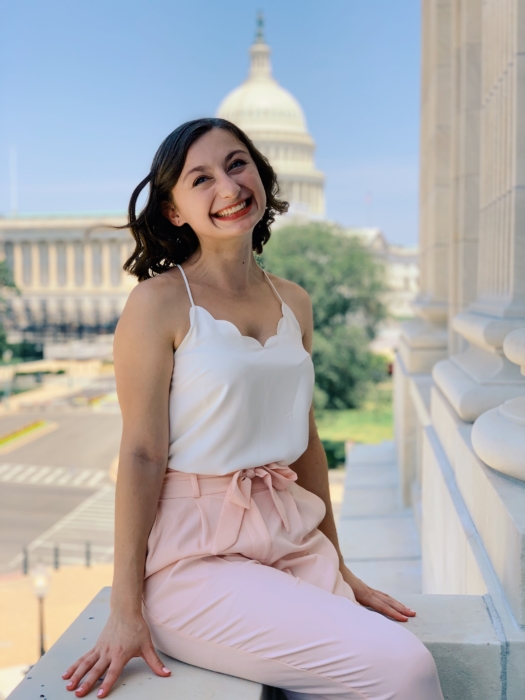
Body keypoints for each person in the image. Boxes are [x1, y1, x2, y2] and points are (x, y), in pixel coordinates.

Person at [62, 118, 444, 699]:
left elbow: (306, 439)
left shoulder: (293, 300)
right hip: (194, 561)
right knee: (405, 668)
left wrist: (340, 566)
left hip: (291, 539)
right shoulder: (158, 303)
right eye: (201, 178)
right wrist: (124, 607)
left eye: (237, 164)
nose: (228, 187)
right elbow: (141, 454)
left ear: (260, 174)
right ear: (173, 210)